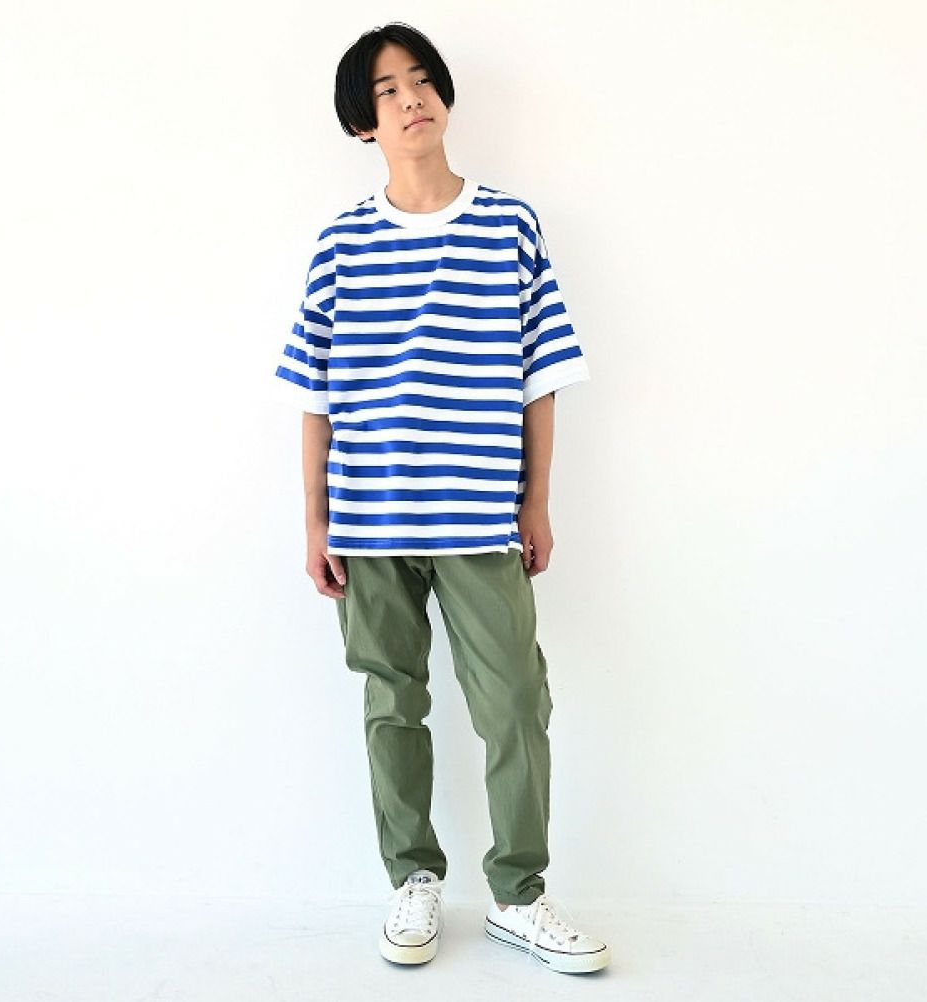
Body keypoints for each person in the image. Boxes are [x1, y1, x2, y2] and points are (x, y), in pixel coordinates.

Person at [273, 21, 611, 975]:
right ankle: (413, 879)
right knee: (392, 702)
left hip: (478, 514)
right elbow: (314, 393)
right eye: (387, 90)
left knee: (515, 703)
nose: (411, 99)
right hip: (370, 516)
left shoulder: (510, 225)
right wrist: (315, 523)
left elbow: (542, 372)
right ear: (363, 123)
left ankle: (519, 894)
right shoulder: (342, 242)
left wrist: (536, 500)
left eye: (421, 80)